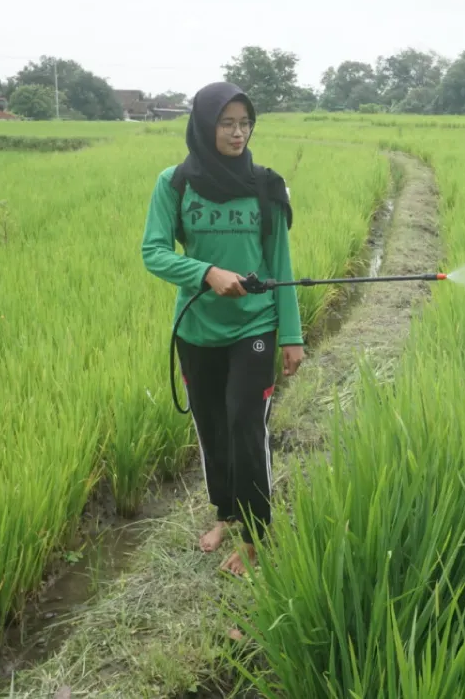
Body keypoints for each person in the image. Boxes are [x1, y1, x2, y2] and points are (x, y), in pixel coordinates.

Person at [141, 81, 305, 577]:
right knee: (212, 427)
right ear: (204, 125)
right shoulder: (174, 184)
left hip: (254, 326)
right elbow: (154, 252)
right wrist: (206, 273)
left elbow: (280, 262)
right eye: (227, 123)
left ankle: (257, 536)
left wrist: (292, 334)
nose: (238, 133)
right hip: (196, 329)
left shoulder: (266, 187)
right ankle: (227, 514)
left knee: (244, 424)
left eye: (245, 123)